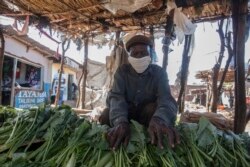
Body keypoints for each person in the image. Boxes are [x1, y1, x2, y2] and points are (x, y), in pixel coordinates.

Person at [99, 35, 179, 150]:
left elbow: (166, 99)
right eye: (135, 54)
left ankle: (151, 141)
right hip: (126, 115)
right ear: (129, 57)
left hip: (147, 119)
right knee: (106, 114)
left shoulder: (159, 73)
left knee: (153, 108)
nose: (139, 56)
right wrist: (120, 121)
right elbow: (116, 98)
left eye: (143, 53)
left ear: (150, 54)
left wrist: (160, 119)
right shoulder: (122, 72)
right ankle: (111, 141)